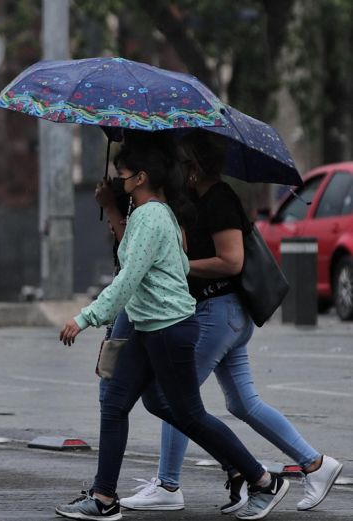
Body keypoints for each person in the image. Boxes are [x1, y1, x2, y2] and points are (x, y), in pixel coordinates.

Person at [54, 138, 289, 521]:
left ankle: (263, 480)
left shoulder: (151, 217)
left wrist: (85, 318)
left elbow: (127, 279)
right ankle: (104, 498)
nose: (119, 179)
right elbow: (168, 268)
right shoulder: (156, 213)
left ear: (141, 177)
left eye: (123, 174)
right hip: (152, 328)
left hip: (168, 330)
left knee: (189, 413)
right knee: (118, 403)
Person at [118, 133, 343, 514]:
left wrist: (178, 266)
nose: (179, 171)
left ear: (195, 166)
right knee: (242, 402)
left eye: (184, 164)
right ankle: (316, 464)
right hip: (223, 313)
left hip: (219, 313)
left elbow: (232, 260)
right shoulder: (197, 202)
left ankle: (171, 484)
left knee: (176, 397)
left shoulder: (220, 199)